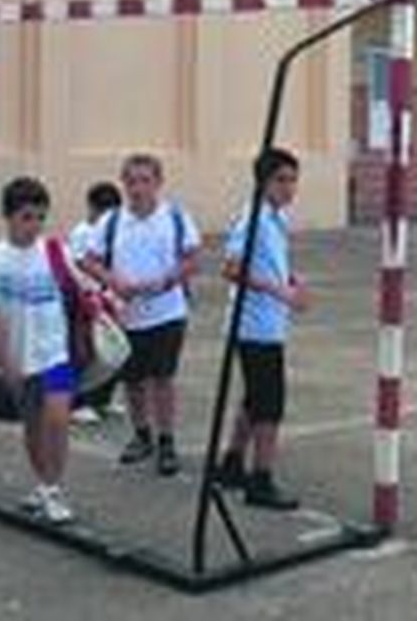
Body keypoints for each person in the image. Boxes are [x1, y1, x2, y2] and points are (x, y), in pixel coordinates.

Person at [0, 177, 77, 524]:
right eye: (27, 217)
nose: (35, 225)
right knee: (33, 426)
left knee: (58, 419)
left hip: (55, 353)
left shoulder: (55, 251)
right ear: (9, 217)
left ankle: (53, 487)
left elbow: (78, 291)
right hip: (19, 358)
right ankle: (42, 485)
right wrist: (4, 363)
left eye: (41, 217)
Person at [82, 154, 200, 476]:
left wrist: (165, 281)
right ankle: (141, 436)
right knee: (132, 381)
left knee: (163, 380)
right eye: (131, 181)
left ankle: (166, 441)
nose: (137, 188)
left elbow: (192, 260)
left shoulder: (175, 217)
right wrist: (114, 282)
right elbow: (89, 260)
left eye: (145, 180)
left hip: (167, 313)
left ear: (158, 183)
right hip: (126, 315)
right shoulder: (112, 221)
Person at [215, 147, 308, 510]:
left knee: (254, 398)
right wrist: (278, 291)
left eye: (293, 180)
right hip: (254, 326)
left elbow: (271, 263)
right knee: (270, 405)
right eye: (281, 180)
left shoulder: (275, 218)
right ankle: (261, 479)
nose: (289, 188)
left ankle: (232, 463)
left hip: (269, 323)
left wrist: (292, 282)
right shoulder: (252, 219)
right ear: (263, 182)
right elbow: (231, 269)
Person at [67, 181, 122, 424]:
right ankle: (76, 402)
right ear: (92, 209)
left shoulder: (113, 231)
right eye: (101, 212)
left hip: (109, 298)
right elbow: (80, 267)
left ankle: (102, 398)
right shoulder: (83, 233)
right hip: (86, 299)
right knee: (84, 353)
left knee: (113, 351)